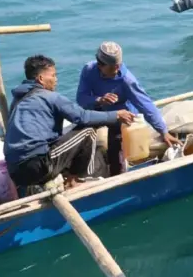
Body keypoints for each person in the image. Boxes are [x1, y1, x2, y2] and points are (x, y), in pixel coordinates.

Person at [4, 55, 135, 188]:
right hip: (38, 165)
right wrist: (115, 115)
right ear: (41, 79)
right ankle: (83, 179)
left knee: (64, 138)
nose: (56, 80)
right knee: (88, 131)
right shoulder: (49, 97)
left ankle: (67, 176)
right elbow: (82, 116)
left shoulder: (17, 102)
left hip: (15, 173)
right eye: (53, 75)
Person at [76, 41, 180, 176]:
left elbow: (145, 104)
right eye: (112, 68)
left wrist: (163, 131)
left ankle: (116, 173)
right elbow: (81, 99)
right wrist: (99, 99)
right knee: (80, 133)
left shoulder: (127, 80)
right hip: (99, 109)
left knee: (116, 146)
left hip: (122, 115)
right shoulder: (88, 70)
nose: (117, 70)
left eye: (117, 67)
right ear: (100, 65)